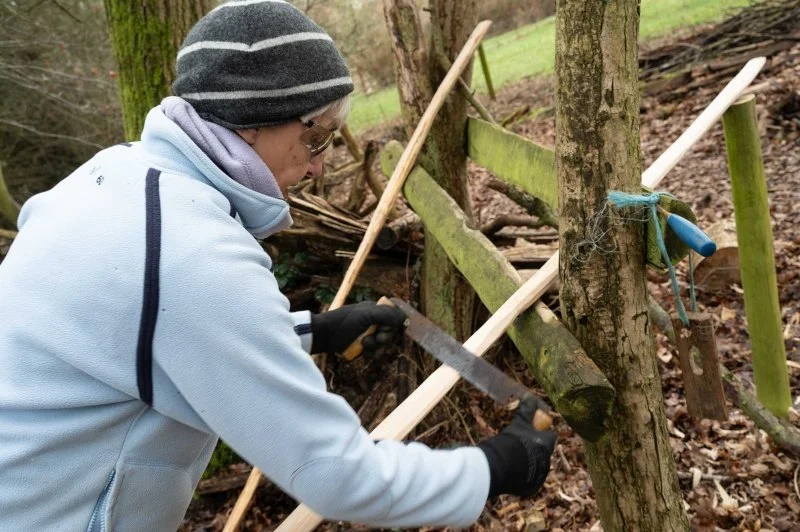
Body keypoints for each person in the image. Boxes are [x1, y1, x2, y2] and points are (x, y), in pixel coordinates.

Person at [0, 1, 556, 530]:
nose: (318, 167)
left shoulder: (117, 177)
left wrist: (311, 331)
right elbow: (335, 474)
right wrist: (493, 468)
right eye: (314, 139)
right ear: (249, 123)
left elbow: (143, 336)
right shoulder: (194, 251)